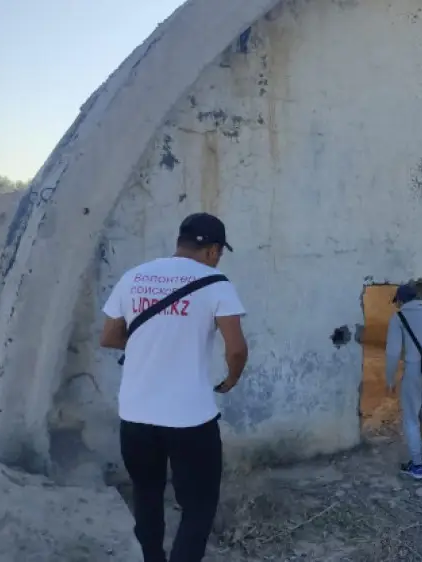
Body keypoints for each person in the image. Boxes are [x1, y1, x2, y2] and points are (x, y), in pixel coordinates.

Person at [98, 212, 248, 562]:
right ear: (212, 251)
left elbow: (109, 337)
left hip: (135, 416)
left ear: (180, 241)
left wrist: (152, 345)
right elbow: (236, 350)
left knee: (147, 494)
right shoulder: (217, 284)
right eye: (219, 253)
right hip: (190, 420)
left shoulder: (134, 277)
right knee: (198, 506)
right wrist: (231, 379)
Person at [385, 283, 422, 479]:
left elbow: (393, 352)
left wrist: (389, 379)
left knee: (411, 417)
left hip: (415, 368)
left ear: (400, 300)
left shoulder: (399, 317)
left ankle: (417, 467)